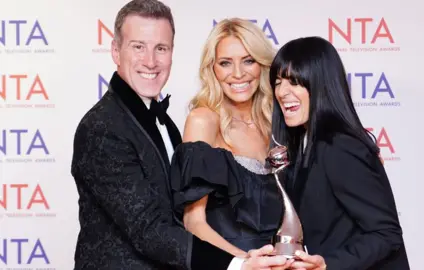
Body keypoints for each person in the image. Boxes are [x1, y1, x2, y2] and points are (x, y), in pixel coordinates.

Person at [70, 1, 289, 269]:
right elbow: (149, 229)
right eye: (138, 47)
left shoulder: (163, 122)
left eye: (160, 48)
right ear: (116, 51)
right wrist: (238, 265)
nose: (150, 61)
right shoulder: (103, 127)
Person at [269, 36, 410, 269]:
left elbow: (386, 233)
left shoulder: (339, 146)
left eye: (294, 81)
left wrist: (328, 265)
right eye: (277, 82)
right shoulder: (305, 144)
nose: (282, 92)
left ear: (321, 85)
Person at [168, 17, 290, 261]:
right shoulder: (204, 121)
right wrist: (246, 264)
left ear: (263, 64)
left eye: (248, 61)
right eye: (225, 63)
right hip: (233, 263)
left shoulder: (279, 122)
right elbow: (194, 222)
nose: (238, 74)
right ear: (212, 68)